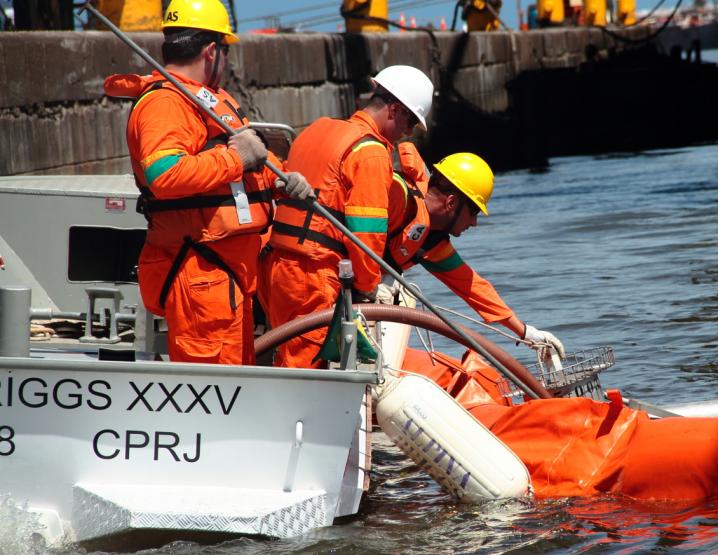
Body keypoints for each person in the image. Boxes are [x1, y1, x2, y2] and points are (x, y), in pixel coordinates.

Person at [103, 0, 312, 365]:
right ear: (213, 51)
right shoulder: (165, 104)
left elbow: (248, 157)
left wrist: (283, 179)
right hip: (200, 273)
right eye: (227, 52)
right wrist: (236, 159)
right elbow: (165, 175)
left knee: (238, 380)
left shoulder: (209, 101)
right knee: (215, 388)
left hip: (227, 274)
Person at [258, 64, 434, 368]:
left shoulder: (319, 129)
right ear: (394, 109)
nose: (408, 132)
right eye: (409, 122)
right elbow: (367, 231)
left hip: (275, 267)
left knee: (286, 355)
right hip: (313, 274)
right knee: (308, 372)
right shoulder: (371, 152)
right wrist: (367, 287)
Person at [382, 143, 565, 357]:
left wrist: (527, 333)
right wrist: (369, 282)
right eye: (474, 211)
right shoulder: (395, 196)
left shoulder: (431, 241)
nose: (475, 222)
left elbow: (475, 288)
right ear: (451, 202)